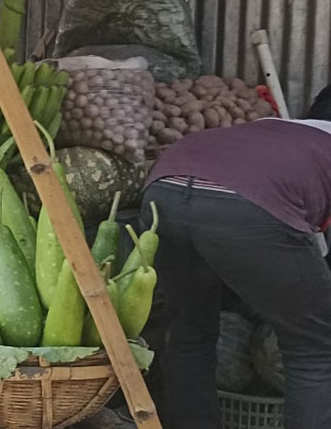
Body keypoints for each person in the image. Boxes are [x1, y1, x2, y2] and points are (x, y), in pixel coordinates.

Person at [141, 101, 331, 429]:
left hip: (163, 190)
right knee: (312, 348)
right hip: (247, 206)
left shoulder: (280, 131)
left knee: (189, 330)